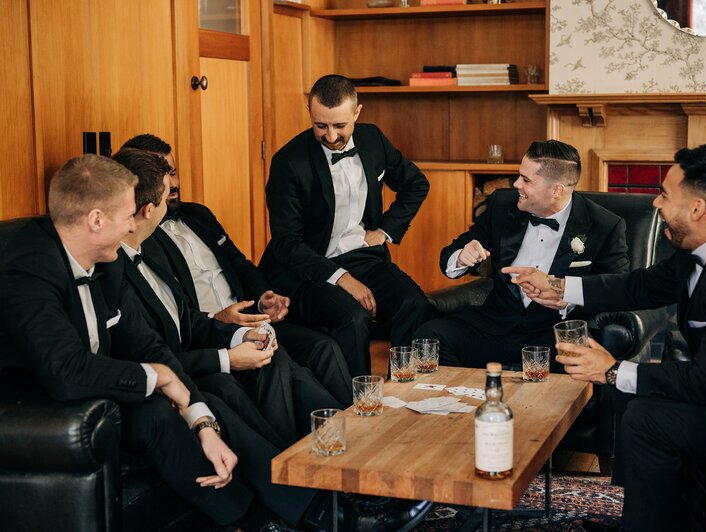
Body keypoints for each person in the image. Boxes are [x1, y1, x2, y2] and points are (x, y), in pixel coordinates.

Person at [0, 154, 322, 529]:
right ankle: (261, 521)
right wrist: (160, 377)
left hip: (96, 392)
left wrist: (201, 421)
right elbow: (67, 371)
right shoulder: (27, 269)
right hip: (37, 406)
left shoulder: (108, 259)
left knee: (203, 402)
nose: (133, 225)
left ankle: (306, 508)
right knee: (158, 411)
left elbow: (146, 345)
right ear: (96, 220)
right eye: (127, 215)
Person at [507, 144, 706, 532]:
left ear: (696, 208)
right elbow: (642, 285)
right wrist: (561, 288)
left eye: (664, 193)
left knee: (647, 418)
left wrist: (612, 371)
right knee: (638, 402)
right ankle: (645, 515)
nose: (655, 203)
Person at [112, 147, 341, 447]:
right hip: (203, 340)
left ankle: (350, 438)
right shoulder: (142, 245)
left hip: (237, 322)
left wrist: (261, 303)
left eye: (174, 171)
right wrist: (226, 347)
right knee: (268, 367)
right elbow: (157, 344)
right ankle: (299, 463)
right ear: (147, 204)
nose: (174, 183)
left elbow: (239, 264)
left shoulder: (197, 216)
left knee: (320, 347)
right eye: (166, 178)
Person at [258, 74, 432, 376]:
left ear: (357, 113)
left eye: (340, 125)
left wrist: (384, 231)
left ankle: (400, 392)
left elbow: (415, 183)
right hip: (310, 267)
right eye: (320, 125)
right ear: (310, 113)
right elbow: (287, 243)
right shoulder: (288, 162)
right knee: (355, 319)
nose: (330, 135)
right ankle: (357, 405)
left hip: (363, 255)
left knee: (414, 304)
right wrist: (341, 278)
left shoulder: (373, 139)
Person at [413, 140, 629, 369]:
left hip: (554, 334)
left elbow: (614, 291)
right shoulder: (501, 204)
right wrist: (461, 256)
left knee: (578, 361)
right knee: (428, 337)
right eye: (519, 176)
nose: (516, 184)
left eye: (526, 180)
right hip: (496, 326)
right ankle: (457, 402)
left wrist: (567, 298)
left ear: (556, 190)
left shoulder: (605, 225)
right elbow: (452, 252)